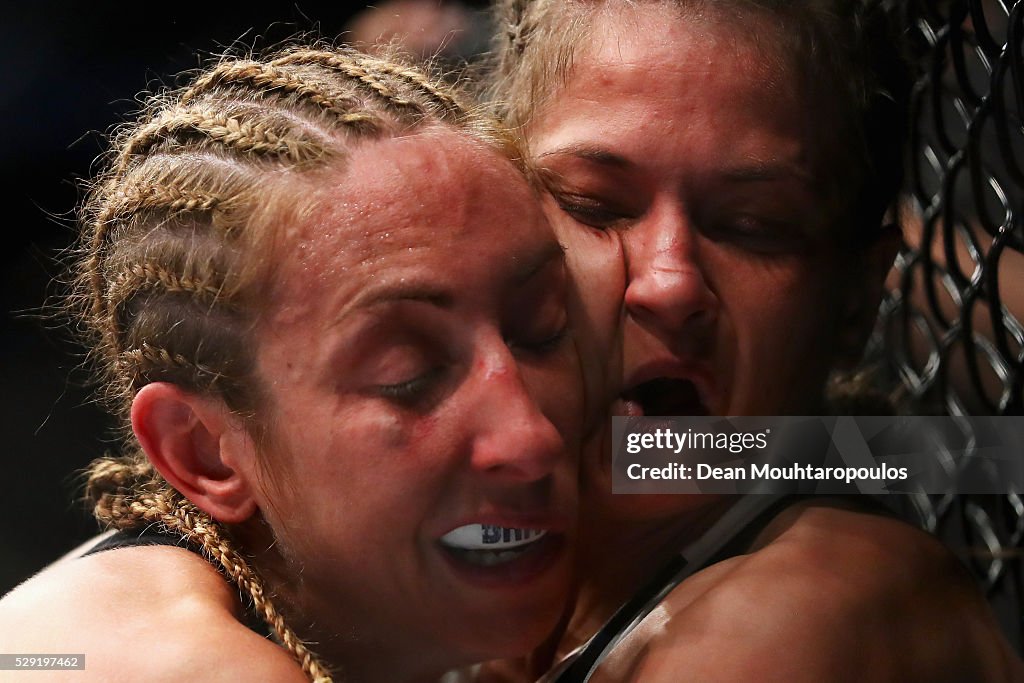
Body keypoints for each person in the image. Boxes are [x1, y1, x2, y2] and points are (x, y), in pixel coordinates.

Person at [0, 47, 588, 682]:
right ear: (203, 452)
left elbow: (688, 457)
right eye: (407, 375)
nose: (530, 437)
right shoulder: (184, 663)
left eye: (542, 328)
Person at [481, 0, 1024, 680]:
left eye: (751, 223)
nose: (669, 283)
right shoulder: (473, 550)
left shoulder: (801, 615)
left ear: (852, 304)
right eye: (595, 205)